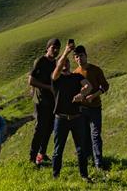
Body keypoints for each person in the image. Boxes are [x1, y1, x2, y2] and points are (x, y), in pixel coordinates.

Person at [50, 41, 93, 180]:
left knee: (81, 149)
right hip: (61, 119)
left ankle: (84, 176)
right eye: (63, 62)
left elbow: (89, 86)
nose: (65, 64)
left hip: (76, 118)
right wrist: (66, 51)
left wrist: (83, 94)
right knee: (58, 150)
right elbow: (57, 70)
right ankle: (56, 176)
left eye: (67, 62)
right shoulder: (56, 79)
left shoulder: (76, 77)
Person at [73, 45, 110, 170]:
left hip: (95, 107)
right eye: (77, 57)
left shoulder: (96, 70)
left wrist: (94, 95)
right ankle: (89, 159)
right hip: (82, 109)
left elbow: (105, 86)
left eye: (81, 56)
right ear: (74, 59)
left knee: (95, 135)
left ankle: (99, 162)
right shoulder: (75, 73)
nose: (79, 59)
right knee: (85, 136)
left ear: (86, 56)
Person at [28, 38, 60, 166]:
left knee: (49, 128)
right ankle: (32, 157)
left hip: (52, 101)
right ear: (48, 48)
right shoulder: (40, 61)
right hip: (41, 100)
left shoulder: (56, 63)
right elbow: (31, 80)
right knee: (40, 128)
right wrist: (48, 87)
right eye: (53, 48)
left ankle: (42, 154)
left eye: (58, 48)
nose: (55, 50)